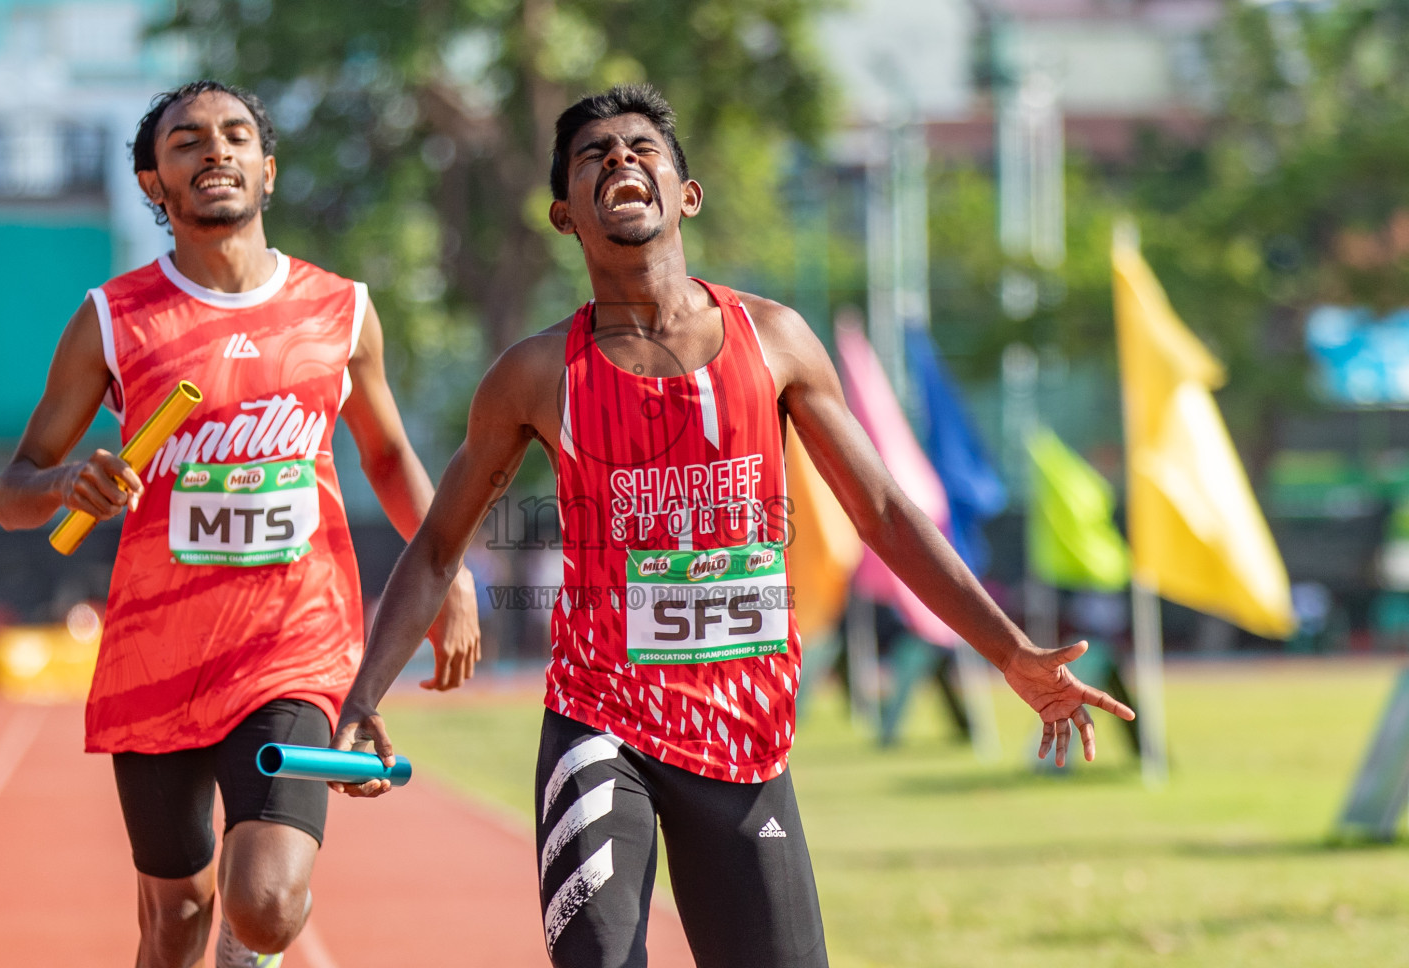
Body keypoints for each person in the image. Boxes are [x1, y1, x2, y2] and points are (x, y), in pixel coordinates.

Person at [329, 83, 1134, 967]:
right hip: (602, 724)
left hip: (745, 738)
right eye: (593, 155)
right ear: (566, 214)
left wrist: (1010, 651)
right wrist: (364, 698)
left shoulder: (777, 340)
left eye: (642, 148)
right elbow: (439, 543)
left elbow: (886, 512)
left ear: (687, 193)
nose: (620, 162)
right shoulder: (532, 377)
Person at [0, 80, 479, 968]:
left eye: (236, 135)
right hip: (156, 659)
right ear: (153, 182)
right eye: (187, 142)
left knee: (266, 905)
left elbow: (386, 457)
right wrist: (66, 482)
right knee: (173, 928)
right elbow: (11, 490)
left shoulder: (342, 310)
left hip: (291, 649)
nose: (216, 151)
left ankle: (247, 949)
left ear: (268, 168)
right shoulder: (112, 319)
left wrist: (448, 571)